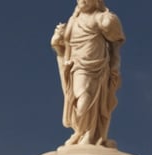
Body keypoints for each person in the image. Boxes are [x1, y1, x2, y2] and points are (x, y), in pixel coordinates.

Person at [51, 0, 125, 147]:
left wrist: (109, 22)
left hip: (98, 66)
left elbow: (115, 40)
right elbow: (63, 45)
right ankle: (80, 131)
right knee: (81, 97)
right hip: (77, 66)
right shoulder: (74, 20)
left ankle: (89, 135)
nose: (83, 1)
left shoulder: (100, 17)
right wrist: (57, 39)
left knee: (95, 103)